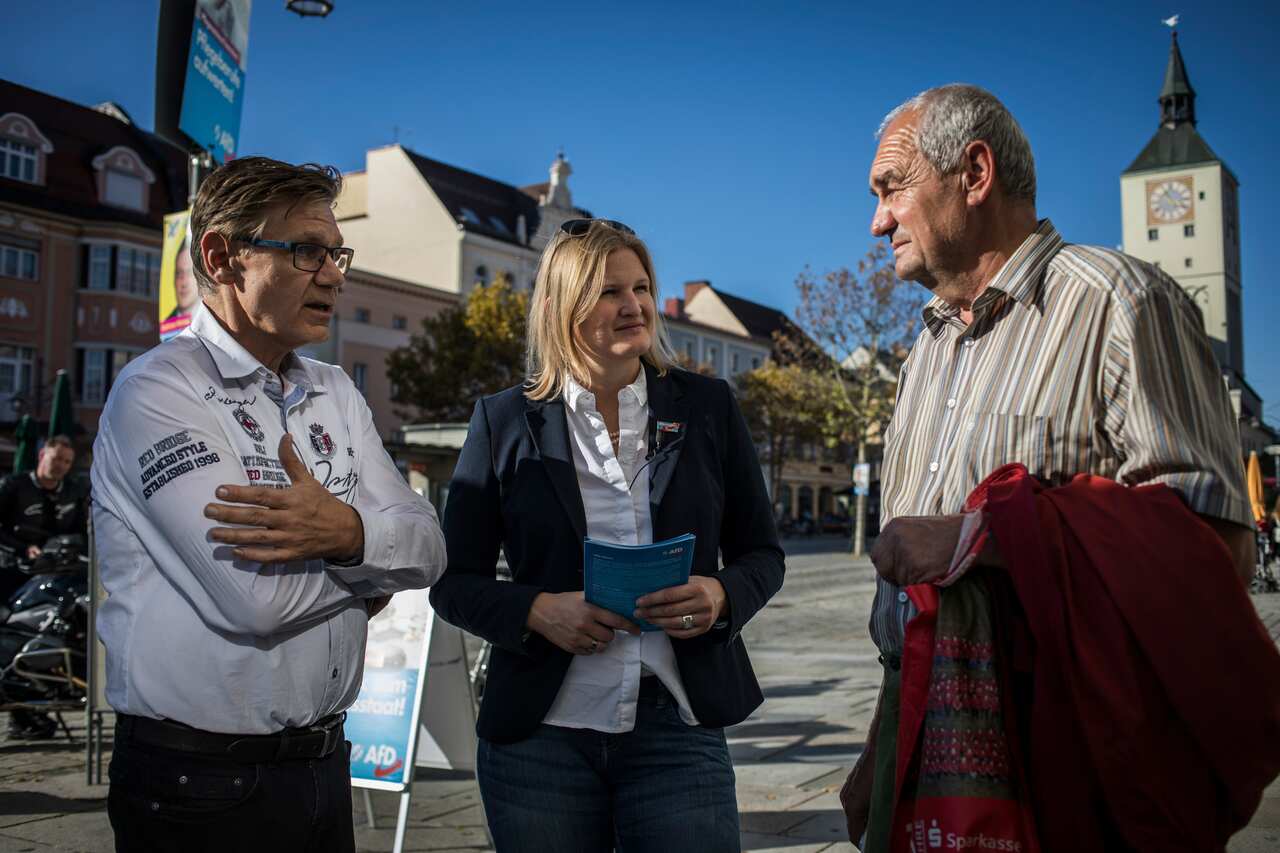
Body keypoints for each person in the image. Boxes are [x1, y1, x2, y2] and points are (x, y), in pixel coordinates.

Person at [839, 84, 1253, 850]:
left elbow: (1216, 546)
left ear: (974, 173)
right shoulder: (924, 352)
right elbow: (910, 614)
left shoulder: (1123, 302)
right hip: (920, 745)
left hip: (1067, 754)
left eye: (891, 188)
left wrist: (977, 539)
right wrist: (878, 747)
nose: (877, 220)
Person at [91, 156, 447, 853]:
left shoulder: (336, 391)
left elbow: (430, 547)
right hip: (199, 782)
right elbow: (254, 597)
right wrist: (371, 574)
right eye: (308, 250)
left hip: (322, 766)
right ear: (223, 257)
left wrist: (344, 533)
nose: (335, 274)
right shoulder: (159, 392)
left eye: (337, 253)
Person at [430, 218, 785, 852]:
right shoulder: (504, 419)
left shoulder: (707, 407)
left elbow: (763, 554)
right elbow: (453, 583)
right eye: (608, 291)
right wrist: (536, 611)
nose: (634, 305)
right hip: (540, 736)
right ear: (561, 305)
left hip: (676, 723)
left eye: (642, 287)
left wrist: (720, 596)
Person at [0, 434, 87, 739]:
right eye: (56, 458)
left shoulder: (74, 491)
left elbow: (84, 530)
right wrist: (24, 549)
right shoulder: (14, 486)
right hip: (13, 572)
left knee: (57, 632)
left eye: (66, 461)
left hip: (60, 576)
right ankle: (18, 707)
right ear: (41, 456)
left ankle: (38, 703)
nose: (60, 466)